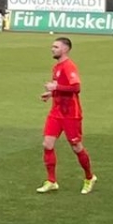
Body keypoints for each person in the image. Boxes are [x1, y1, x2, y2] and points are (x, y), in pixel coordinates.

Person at [38, 37, 96, 194]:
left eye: (56, 47)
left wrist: (56, 87)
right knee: (47, 144)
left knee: (76, 147)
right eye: (52, 46)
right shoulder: (56, 67)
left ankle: (89, 177)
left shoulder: (69, 66)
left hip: (71, 114)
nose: (52, 49)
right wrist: (51, 93)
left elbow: (76, 88)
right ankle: (51, 181)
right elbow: (60, 87)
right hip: (56, 112)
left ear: (65, 49)